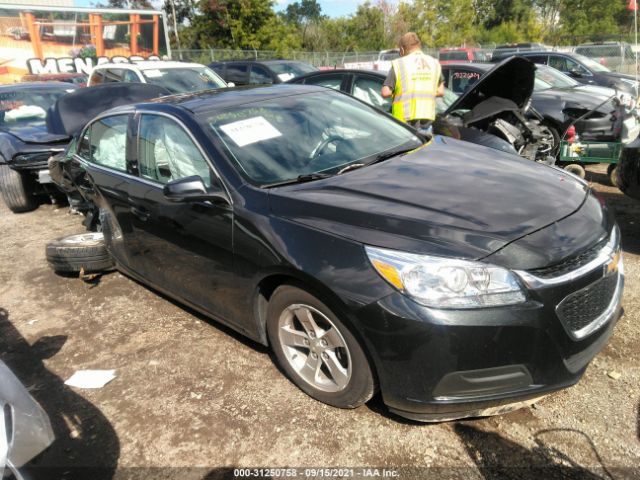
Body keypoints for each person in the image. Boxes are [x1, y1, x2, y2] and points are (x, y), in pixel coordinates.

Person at [381, 32, 445, 132]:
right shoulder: (434, 63)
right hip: (426, 123)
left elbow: (385, 92)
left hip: (404, 124)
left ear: (402, 49)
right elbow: (440, 91)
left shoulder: (399, 64)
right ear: (419, 46)